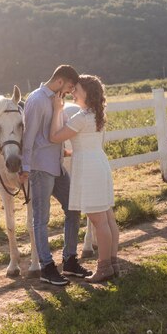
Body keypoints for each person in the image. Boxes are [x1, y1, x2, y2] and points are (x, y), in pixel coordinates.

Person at [20, 65, 92, 286]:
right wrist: (25, 166)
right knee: (41, 219)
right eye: (71, 86)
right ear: (60, 81)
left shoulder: (57, 100)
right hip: (41, 168)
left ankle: (70, 260)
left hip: (58, 166)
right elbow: (29, 135)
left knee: (73, 207)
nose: (72, 91)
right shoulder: (37, 100)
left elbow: (57, 132)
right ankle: (46, 267)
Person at [49, 74, 119, 283]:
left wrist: (56, 111)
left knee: (99, 221)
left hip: (89, 170)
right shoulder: (96, 114)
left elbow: (54, 137)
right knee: (107, 218)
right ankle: (112, 263)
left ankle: (104, 267)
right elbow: (85, 143)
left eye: (77, 89)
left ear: (88, 93)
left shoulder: (80, 117)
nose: (73, 92)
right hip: (98, 163)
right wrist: (70, 154)